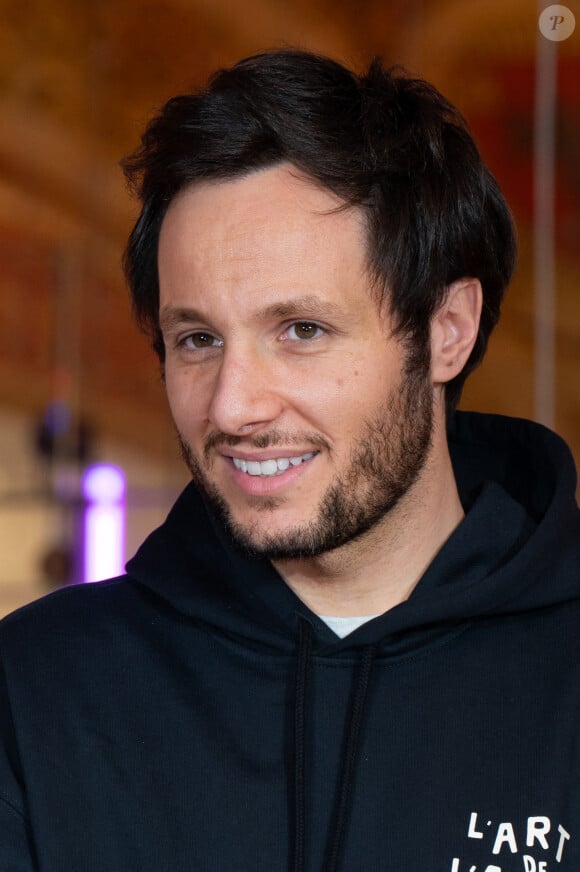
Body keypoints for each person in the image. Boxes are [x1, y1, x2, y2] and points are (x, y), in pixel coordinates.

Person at [1, 49, 579, 872]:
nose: (234, 406)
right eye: (197, 339)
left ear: (446, 330)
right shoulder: (37, 691)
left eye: (301, 330)